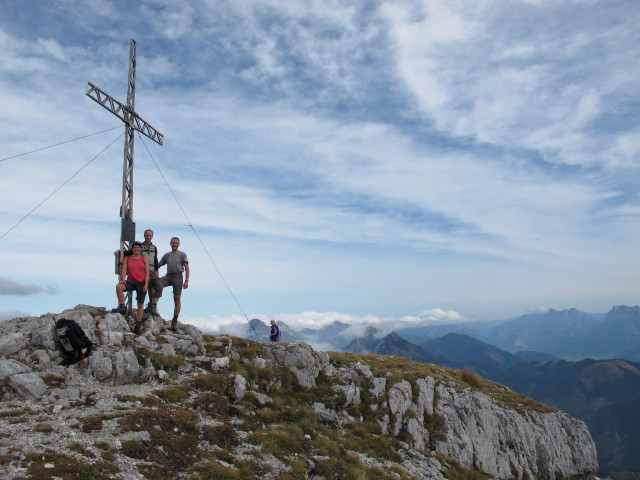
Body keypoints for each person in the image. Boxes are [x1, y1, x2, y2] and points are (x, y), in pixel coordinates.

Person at [149, 237, 189, 332]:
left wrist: (187, 281)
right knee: (156, 283)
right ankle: (153, 304)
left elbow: (187, 268)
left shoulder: (182, 254)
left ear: (178, 244)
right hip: (168, 276)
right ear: (170, 244)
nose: (174, 244)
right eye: (173, 243)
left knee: (177, 299)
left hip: (178, 277)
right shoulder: (167, 255)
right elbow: (159, 264)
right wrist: (154, 270)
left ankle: (174, 322)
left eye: (176, 243)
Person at [115, 229, 160, 309]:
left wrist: (156, 270)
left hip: (152, 270)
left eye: (150, 235)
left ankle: (151, 305)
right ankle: (137, 307)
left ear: (152, 236)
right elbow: (130, 252)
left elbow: (155, 259)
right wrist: (120, 252)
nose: (148, 237)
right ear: (144, 235)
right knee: (144, 289)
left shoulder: (154, 247)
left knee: (152, 287)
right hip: (142, 270)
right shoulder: (140, 246)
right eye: (147, 235)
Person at [111, 242, 149, 334]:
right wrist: (123, 279)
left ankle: (138, 325)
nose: (136, 249)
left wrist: (146, 284)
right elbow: (124, 269)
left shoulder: (144, 259)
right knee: (119, 286)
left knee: (140, 304)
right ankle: (122, 306)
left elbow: (147, 272)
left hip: (141, 282)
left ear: (140, 249)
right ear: (132, 249)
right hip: (131, 281)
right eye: (135, 247)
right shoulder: (127, 258)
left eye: (138, 248)